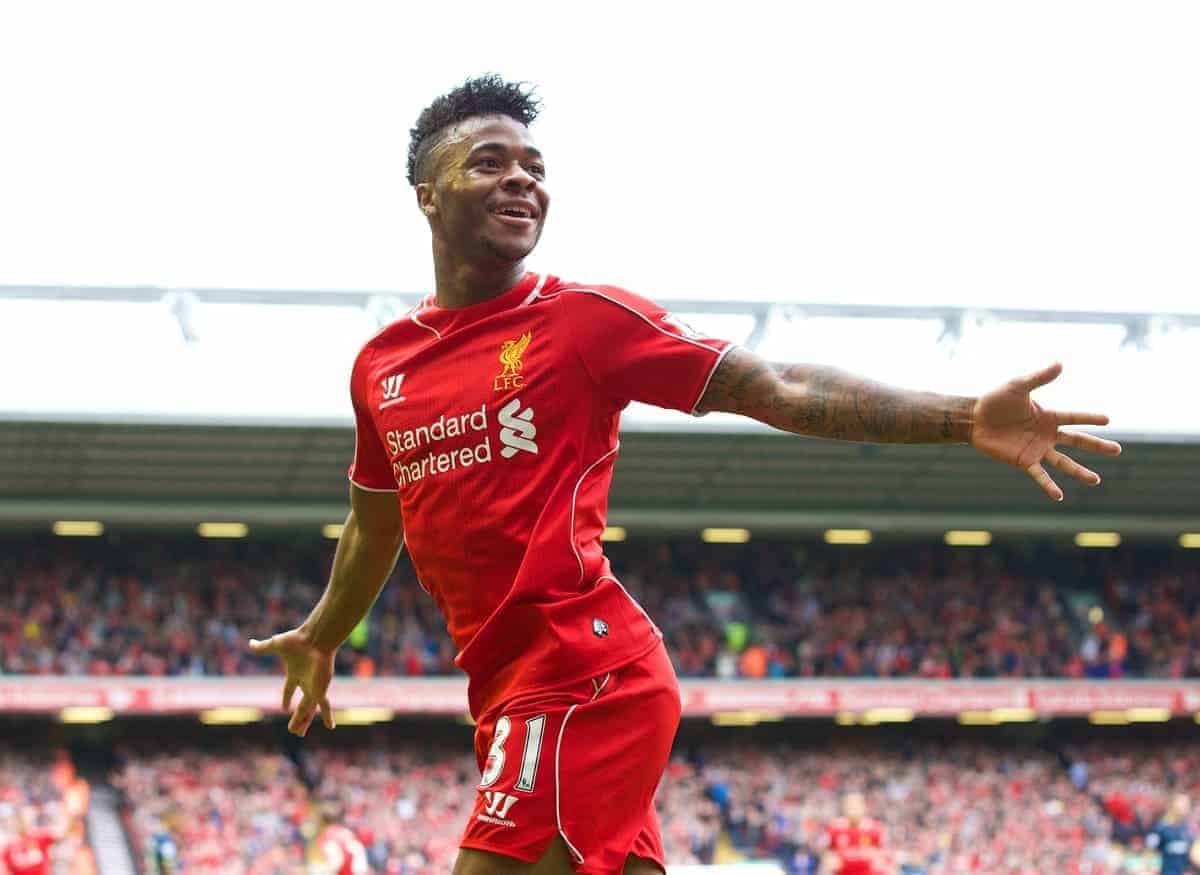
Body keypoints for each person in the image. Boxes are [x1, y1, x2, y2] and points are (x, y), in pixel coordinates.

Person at [248, 74, 1121, 875]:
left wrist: (962, 416)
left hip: (582, 676)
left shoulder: (582, 322)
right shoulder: (381, 366)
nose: (523, 180)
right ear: (427, 197)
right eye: (490, 163)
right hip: (506, 685)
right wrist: (324, 634)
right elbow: (377, 518)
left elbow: (777, 385)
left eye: (535, 166)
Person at [821, 793, 890, 875]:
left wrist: (877, 858)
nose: (852, 809)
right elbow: (826, 852)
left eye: (855, 805)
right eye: (849, 805)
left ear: (864, 807)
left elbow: (885, 854)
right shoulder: (834, 828)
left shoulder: (875, 828)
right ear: (843, 808)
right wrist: (829, 860)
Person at [1146, 794, 1200, 875]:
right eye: (1183, 804)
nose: (1186, 808)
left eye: (1187, 805)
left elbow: (1192, 854)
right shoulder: (1160, 828)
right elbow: (1149, 851)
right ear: (1172, 805)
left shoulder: (1187, 829)